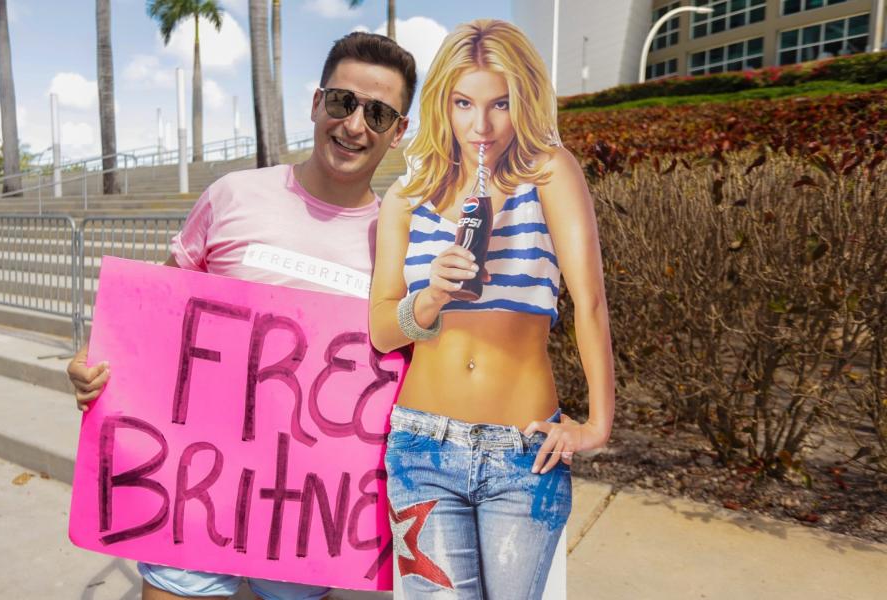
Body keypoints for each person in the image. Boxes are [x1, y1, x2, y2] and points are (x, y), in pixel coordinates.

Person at [66, 31, 417, 600]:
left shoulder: (397, 245)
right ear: (315, 103)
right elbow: (151, 318)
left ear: (398, 132)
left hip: (309, 515)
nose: (355, 125)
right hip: (193, 492)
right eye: (342, 102)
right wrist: (95, 370)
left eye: (378, 113)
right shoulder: (232, 195)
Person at [368, 19, 615, 598]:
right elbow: (382, 330)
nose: (481, 125)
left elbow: (592, 301)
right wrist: (427, 297)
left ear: (523, 100)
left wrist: (598, 424)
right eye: (463, 103)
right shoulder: (407, 197)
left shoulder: (549, 172)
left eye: (499, 103)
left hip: (524, 456)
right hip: (420, 448)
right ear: (441, 104)